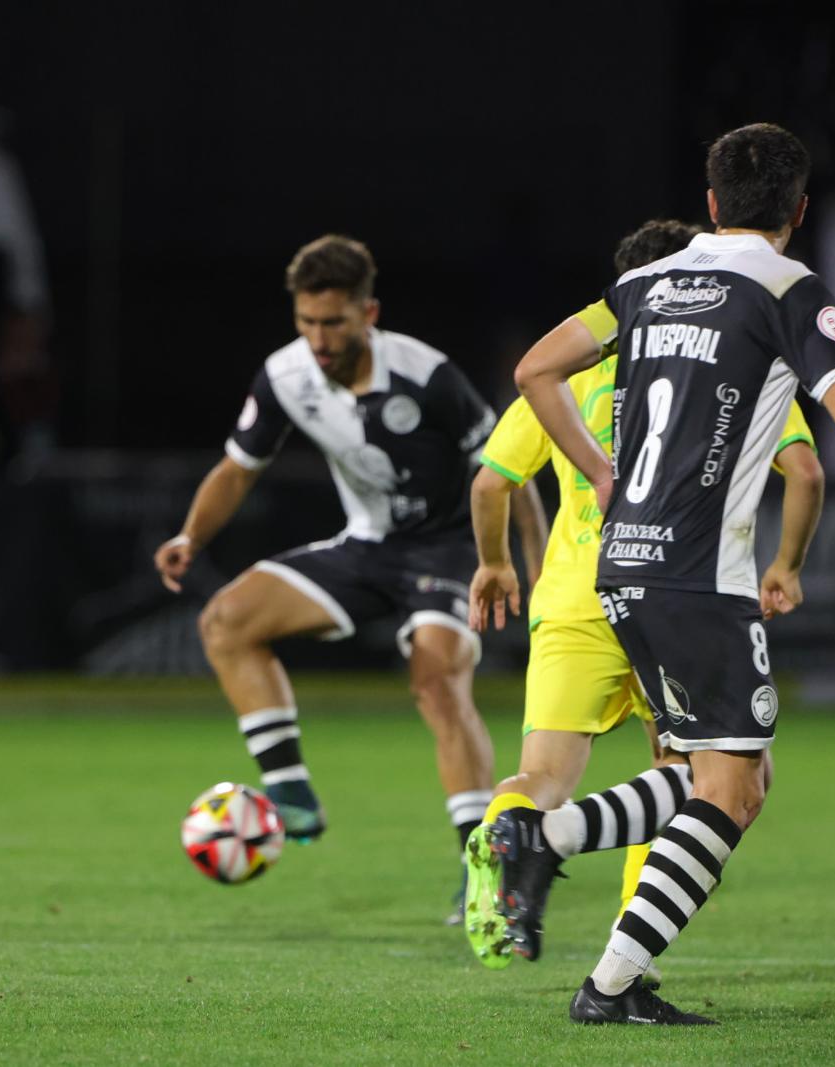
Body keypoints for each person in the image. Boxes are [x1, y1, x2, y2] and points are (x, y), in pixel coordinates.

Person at [499, 123, 835, 1025]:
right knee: (736, 789)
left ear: (711, 203)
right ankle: (606, 984)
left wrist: (602, 474)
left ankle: (547, 835)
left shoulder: (641, 282)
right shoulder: (788, 287)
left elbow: (535, 369)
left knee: (713, 774)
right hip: (697, 573)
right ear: (799, 212)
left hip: (622, 562)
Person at [461, 219, 825, 971]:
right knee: (698, 774)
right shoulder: (730, 357)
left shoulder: (571, 373)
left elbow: (492, 479)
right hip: (678, 590)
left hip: (575, 594)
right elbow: (804, 469)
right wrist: (786, 563)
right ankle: (628, 956)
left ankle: (501, 859)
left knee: (545, 776)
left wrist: (496, 562)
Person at [154, 235, 536, 914]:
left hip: (448, 549)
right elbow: (239, 467)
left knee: (436, 677)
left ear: (369, 313)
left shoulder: (426, 375)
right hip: (367, 547)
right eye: (307, 322)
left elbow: (510, 470)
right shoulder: (284, 376)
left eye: (334, 322)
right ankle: (292, 795)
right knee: (227, 620)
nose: (320, 339)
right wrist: (191, 533)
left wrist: (533, 571)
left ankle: (485, 872)